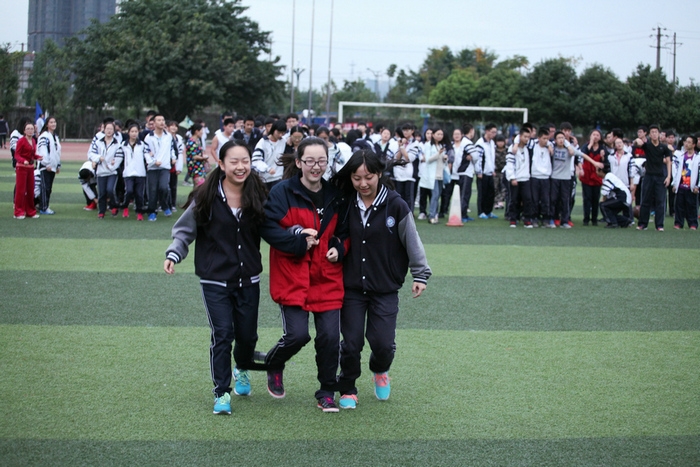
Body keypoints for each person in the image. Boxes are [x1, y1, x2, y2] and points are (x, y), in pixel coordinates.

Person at [164, 140, 271, 415]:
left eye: (245, 161)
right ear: (221, 164)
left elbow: (276, 226)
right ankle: (222, 392)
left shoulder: (259, 193)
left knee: (247, 336)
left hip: (249, 279)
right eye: (234, 161)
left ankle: (242, 367)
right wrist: (174, 253)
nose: (240, 166)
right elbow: (184, 230)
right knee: (223, 334)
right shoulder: (207, 196)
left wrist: (296, 233)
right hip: (215, 280)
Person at [332, 149, 431, 409]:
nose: (363, 183)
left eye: (368, 177)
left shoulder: (396, 205)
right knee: (351, 343)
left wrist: (420, 274)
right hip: (352, 287)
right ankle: (348, 388)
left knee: (383, 344)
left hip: (385, 288)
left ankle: (380, 369)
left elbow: (412, 241)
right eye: (356, 178)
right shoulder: (346, 202)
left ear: (379, 174)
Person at [262, 137, 348, 413]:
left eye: (321, 161)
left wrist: (339, 248)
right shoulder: (282, 192)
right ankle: (274, 362)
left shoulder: (336, 194)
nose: (316, 166)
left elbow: (345, 232)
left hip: (327, 276)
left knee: (330, 338)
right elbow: (268, 228)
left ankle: (326, 391)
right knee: (297, 335)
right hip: (292, 275)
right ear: (299, 162)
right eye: (310, 161)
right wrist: (297, 239)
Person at [633, 124, 673, 231]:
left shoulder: (664, 147)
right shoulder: (647, 146)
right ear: (649, 135)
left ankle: (659, 225)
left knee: (660, 201)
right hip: (648, 176)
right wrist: (637, 140)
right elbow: (637, 143)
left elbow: (668, 162)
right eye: (652, 132)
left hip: (660, 176)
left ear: (659, 134)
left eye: (656, 132)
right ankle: (642, 224)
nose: (654, 134)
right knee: (645, 200)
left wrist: (668, 176)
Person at [144, 114, 177, 221]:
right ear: (154, 123)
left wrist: (173, 158)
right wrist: (153, 162)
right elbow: (146, 152)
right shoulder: (149, 137)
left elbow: (172, 148)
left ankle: (164, 205)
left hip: (165, 166)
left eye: (163, 120)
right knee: (152, 190)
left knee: (164, 187)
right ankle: (152, 211)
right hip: (153, 168)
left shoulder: (168, 136)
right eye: (159, 120)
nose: (162, 122)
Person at [89, 121, 122, 219]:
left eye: (111, 129)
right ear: (104, 130)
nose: (109, 131)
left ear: (114, 130)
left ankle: (114, 205)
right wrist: (99, 158)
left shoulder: (117, 144)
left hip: (112, 172)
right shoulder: (98, 142)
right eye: (107, 129)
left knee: (110, 190)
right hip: (101, 172)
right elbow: (91, 154)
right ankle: (101, 211)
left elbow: (119, 157)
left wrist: (112, 165)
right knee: (102, 193)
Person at [419, 128, 449, 224]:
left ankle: (434, 214)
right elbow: (428, 159)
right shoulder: (428, 145)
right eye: (438, 134)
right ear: (433, 135)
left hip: (440, 174)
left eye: (441, 134)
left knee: (438, 195)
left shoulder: (440, 145)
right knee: (435, 195)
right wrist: (438, 153)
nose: (440, 136)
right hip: (432, 175)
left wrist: (445, 158)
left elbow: (442, 161)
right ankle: (432, 216)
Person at [118, 122, 148, 220]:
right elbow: (119, 156)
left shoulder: (142, 144)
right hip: (128, 173)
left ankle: (139, 212)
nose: (134, 133)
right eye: (132, 131)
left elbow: (147, 155)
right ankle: (125, 206)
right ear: (128, 133)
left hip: (140, 173)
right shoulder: (123, 145)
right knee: (129, 191)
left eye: (136, 131)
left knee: (139, 194)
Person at [505, 127, 532, 227]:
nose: (527, 139)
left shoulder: (528, 147)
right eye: (525, 137)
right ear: (520, 137)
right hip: (516, 178)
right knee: (514, 200)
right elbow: (509, 164)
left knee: (527, 199)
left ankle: (527, 219)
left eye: (528, 137)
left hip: (525, 178)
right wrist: (512, 177)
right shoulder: (512, 148)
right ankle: (513, 219)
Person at [671, 135, 699, 230]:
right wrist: (674, 183)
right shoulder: (681, 156)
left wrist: (698, 186)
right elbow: (676, 170)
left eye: (689, 142)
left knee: (691, 206)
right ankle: (678, 223)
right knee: (679, 205)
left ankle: (693, 224)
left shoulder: (697, 157)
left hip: (691, 186)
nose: (686, 144)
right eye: (686, 142)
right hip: (681, 185)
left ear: (694, 145)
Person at [13, 121, 41, 219]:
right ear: (24, 131)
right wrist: (23, 160)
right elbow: (17, 155)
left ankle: (30, 211)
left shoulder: (33, 140)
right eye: (28, 129)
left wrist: (38, 157)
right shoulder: (21, 141)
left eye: (32, 129)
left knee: (30, 190)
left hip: (30, 168)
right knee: (20, 191)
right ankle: (18, 212)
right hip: (22, 168)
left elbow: (32, 155)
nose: (30, 131)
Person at [579, 129, 606, 226]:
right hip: (586, 175)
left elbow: (605, 162)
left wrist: (603, 157)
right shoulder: (586, 146)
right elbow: (582, 154)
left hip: (597, 176)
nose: (595, 137)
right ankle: (586, 219)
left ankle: (594, 219)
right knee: (587, 198)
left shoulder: (602, 148)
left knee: (595, 198)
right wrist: (590, 144)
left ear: (600, 137)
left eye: (597, 135)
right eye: (593, 134)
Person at [252, 119, 287, 191]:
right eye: (278, 132)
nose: (280, 135)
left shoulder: (283, 141)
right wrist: (267, 169)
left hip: (278, 177)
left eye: (282, 133)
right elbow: (256, 160)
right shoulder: (263, 142)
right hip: (265, 178)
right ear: (273, 129)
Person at [37, 116, 61, 215]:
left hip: (53, 167)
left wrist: (58, 165)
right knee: (45, 187)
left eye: (54, 122)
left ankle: (45, 205)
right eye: (51, 122)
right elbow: (43, 151)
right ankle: (43, 207)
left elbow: (57, 152)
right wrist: (46, 164)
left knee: (49, 188)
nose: (53, 124)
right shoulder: (44, 136)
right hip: (45, 166)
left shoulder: (55, 136)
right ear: (47, 124)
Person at [474, 123, 498, 219]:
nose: (494, 134)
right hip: (482, 173)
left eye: (495, 132)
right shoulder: (480, 143)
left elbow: (491, 157)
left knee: (491, 193)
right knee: (482, 193)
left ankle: (488, 211)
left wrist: (493, 169)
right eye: (492, 132)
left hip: (489, 172)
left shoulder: (492, 143)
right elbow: (478, 159)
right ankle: (481, 211)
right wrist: (479, 171)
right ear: (487, 131)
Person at [599, 163, 633, 228]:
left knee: (603, 205)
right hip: (625, 198)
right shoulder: (610, 176)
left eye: (596, 170)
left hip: (622, 198)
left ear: (601, 171)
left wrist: (602, 201)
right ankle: (625, 221)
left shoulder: (608, 177)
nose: (596, 172)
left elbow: (605, 193)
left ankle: (612, 223)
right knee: (610, 212)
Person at [167, 120, 185, 211]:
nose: (173, 127)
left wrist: (179, 167)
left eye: (175, 126)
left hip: (175, 165)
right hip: (166, 164)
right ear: (168, 127)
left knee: (173, 185)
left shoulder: (179, 138)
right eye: (172, 125)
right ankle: (164, 203)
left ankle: (172, 204)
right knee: (165, 186)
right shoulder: (165, 137)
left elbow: (180, 153)